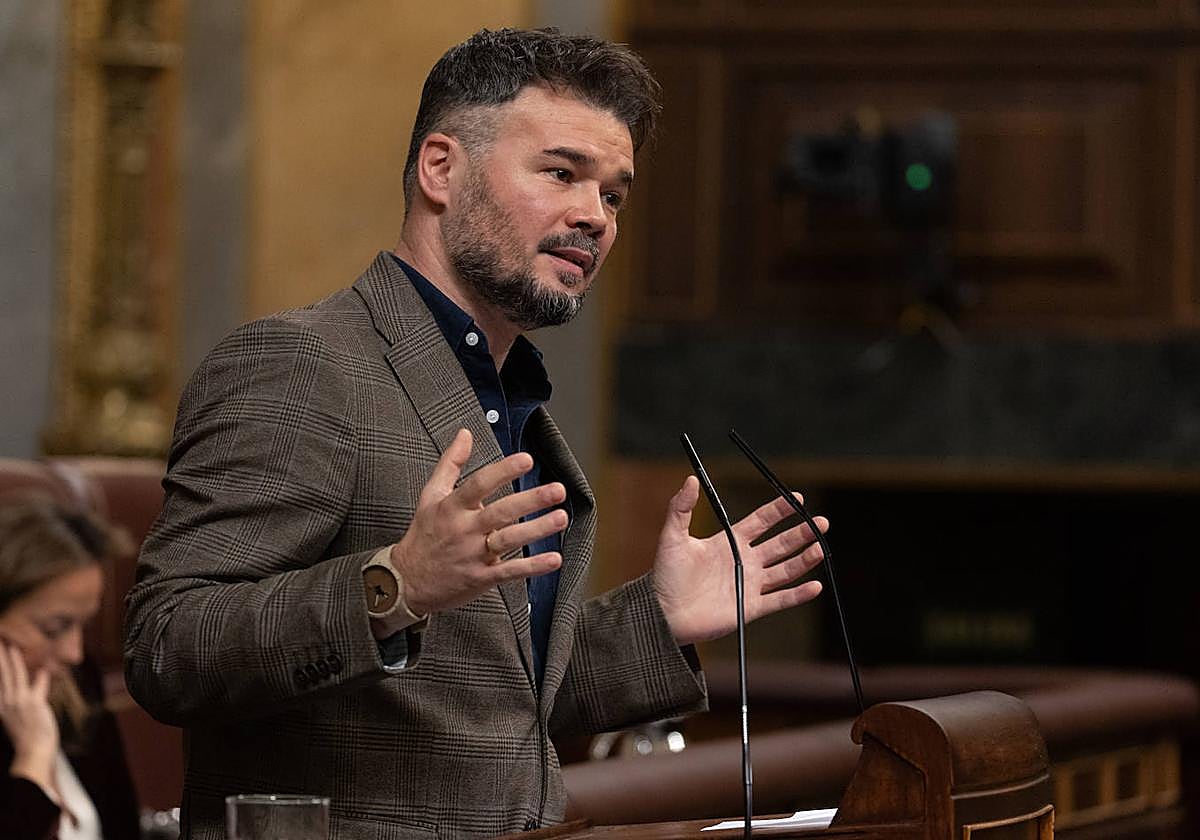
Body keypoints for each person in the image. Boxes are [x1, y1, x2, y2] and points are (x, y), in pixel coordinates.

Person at [124, 27, 829, 839]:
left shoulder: (509, 399)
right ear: (441, 169)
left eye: (613, 195)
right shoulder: (301, 364)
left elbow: (491, 705)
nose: (594, 216)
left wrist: (658, 617)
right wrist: (394, 583)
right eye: (561, 173)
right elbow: (167, 646)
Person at [1, 499, 141, 840]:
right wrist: (33, 756)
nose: (74, 654)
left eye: (83, 625)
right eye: (54, 628)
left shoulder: (79, 684)